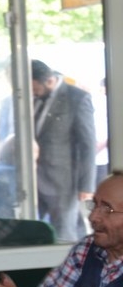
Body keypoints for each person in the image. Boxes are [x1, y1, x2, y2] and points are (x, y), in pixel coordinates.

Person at [31, 60, 96, 242]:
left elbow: (88, 144)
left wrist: (86, 185)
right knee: (34, 233)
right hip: (34, 180)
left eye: (35, 88)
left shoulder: (77, 98)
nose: (33, 93)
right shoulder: (31, 99)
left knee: (64, 235)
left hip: (63, 181)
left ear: (49, 81)